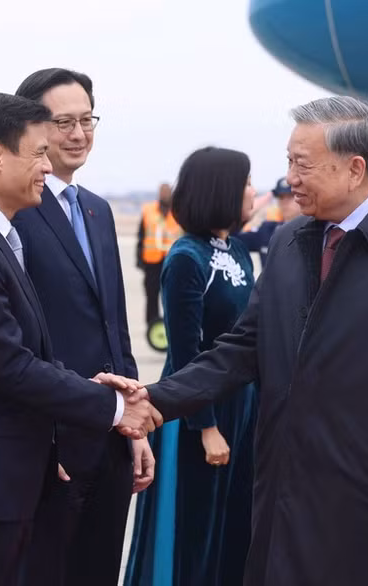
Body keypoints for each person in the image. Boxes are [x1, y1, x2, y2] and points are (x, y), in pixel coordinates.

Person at [144, 96, 368, 586]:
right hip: (280, 491)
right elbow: (240, 350)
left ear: (354, 169)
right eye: (288, 162)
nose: (290, 178)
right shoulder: (290, 240)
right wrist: (153, 399)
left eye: (302, 165)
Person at [0, 92, 159, 586]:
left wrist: (94, 386)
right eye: (38, 153)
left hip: (11, 481)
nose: (49, 166)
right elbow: (10, 366)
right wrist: (112, 407)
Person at [12, 68, 153, 586]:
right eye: (63, 122)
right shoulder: (17, 213)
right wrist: (41, 442)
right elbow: (16, 344)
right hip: (51, 444)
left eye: (87, 119)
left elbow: (114, 327)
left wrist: (135, 423)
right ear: (30, 127)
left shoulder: (96, 209)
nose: (78, 133)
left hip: (110, 439)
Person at [126, 146, 259, 586]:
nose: (252, 191)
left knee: (233, 523)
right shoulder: (186, 258)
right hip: (197, 412)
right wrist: (205, 425)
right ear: (220, 189)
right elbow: (186, 352)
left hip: (242, 404)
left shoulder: (238, 250)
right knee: (195, 527)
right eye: (245, 182)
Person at [137, 182, 182, 327]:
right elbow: (141, 236)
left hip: (172, 260)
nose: (164, 194)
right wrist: (139, 259)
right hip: (152, 260)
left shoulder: (178, 212)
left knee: (172, 294)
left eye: (167, 191)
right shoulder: (148, 211)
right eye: (162, 191)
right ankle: (152, 324)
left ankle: (171, 323)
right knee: (151, 293)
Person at [237, 177, 301, 267]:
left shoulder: (313, 230)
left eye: (290, 196)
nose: (284, 202)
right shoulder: (267, 230)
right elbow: (233, 237)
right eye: (281, 197)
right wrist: (251, 209)